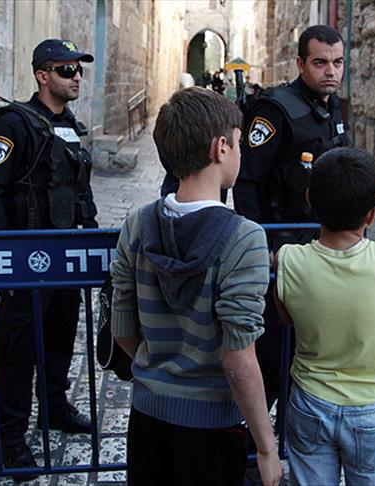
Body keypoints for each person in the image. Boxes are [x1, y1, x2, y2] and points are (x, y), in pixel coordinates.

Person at [111, 86, 283, 486]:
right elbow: (239, 360)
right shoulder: (244, 238)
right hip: (213, 424)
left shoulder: (137, 224)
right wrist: (266, 447)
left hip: (147, 416)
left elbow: (122, 327)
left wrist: (163, 374)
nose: (240, 152)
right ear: (221, 148)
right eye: (239, 143)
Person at [0, 38, 98, 479]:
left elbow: (79, 189)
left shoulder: (69, 125)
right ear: (42, 75)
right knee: (17, 350)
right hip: (27, 259)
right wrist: (3, 259)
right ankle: (10, 438)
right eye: (66, 70)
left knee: (60, 337)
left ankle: (54, 407)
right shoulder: (14, 125)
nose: (76, 77)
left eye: (79, 70)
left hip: (64, 255)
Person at [274, 147, 375, 485]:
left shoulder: (289, 260)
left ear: (309, 199)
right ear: (373, 214)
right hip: (374, 409)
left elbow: (287, 316)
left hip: (311, 401)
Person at [232, 25, 352, 408]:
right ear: (301, 64)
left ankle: (296, 428)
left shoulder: (332, 106)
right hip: (280, 251)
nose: (331, 71)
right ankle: (256, 436)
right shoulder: (276, 109)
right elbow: (246, 182)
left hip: (321, 248)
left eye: (338, 63)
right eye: (320, 63)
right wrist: (261, 244)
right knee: (274, 354)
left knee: (311, 350)